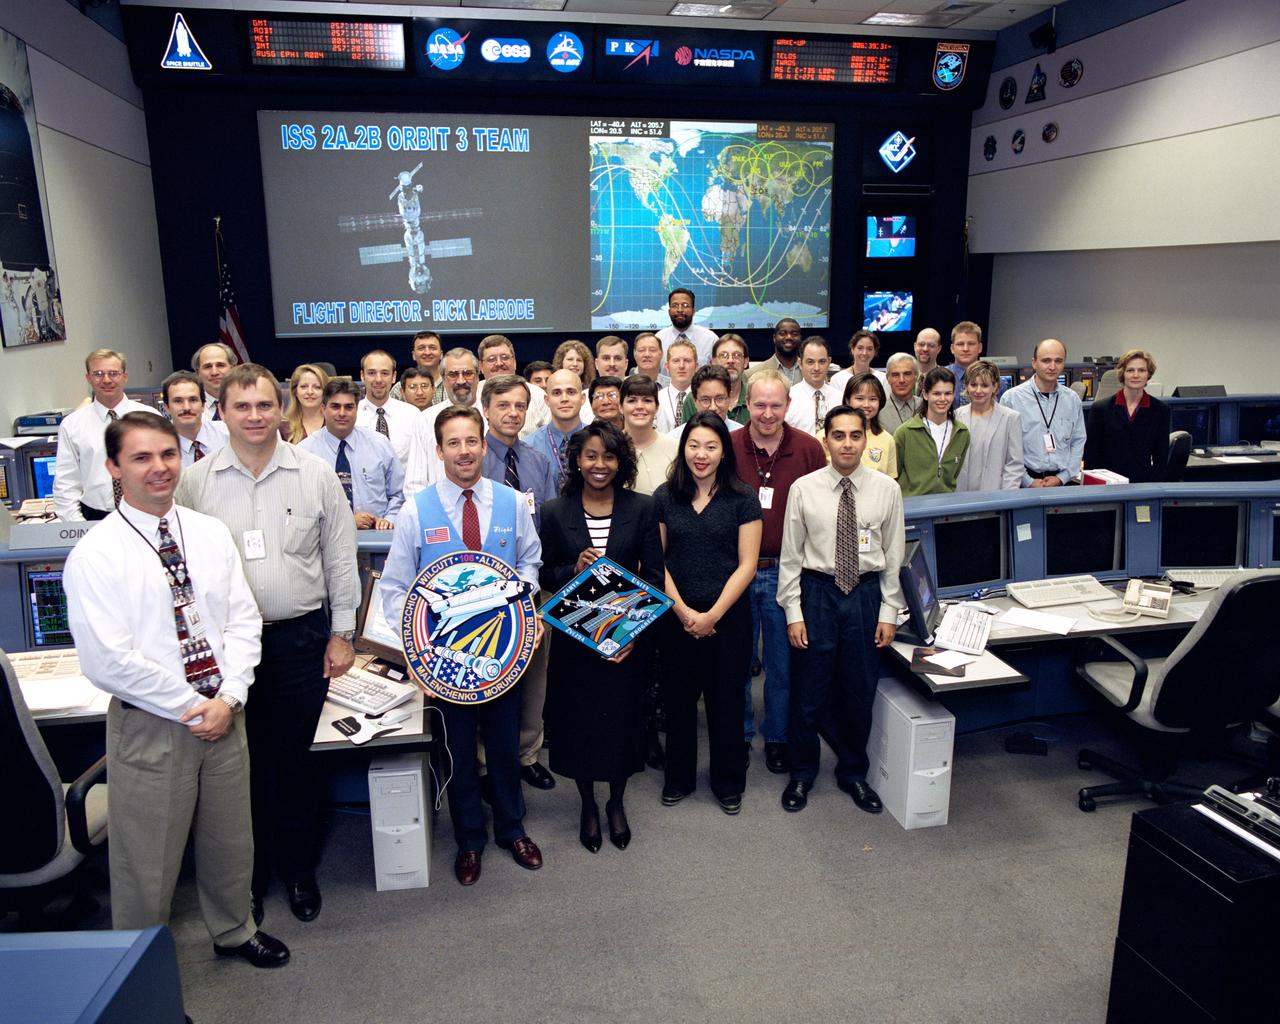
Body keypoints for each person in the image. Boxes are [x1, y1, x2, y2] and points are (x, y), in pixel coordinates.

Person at [64, 411, 289, 968]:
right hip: (155, 726)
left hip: (224, 713)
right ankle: (140, 976)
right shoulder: (96, 554)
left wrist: (230, 698)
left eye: (167, 455)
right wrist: (194, 706)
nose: (159, 468)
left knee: (230, 842)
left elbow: (242, 620)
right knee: (147, 863)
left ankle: (234, 929)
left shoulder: (208, 532)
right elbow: (109, 661)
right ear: (114, 467)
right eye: (141, 458)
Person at [176, 363, 358, 925]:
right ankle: (249, 882)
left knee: (296, 765)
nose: (254, 417)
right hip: (224, 651)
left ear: (280, 411)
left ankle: (299, 871)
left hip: (299, 640)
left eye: (263, 406)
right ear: (221, 412)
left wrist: (343, 632)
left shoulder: (316, 475)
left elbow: (339, 557)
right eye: (241, 407)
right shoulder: (195, 483)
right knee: (237, 771)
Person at [380, 406, 545, 886]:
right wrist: (415, 648)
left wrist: (524, 606)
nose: (465, 451)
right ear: (439, 451)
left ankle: (512, 829)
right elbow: (395, 588)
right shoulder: (417, 509)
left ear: (483, 444)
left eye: (472, 441)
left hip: (503, 654)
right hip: (445, 659)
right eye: (453, 443)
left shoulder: (512, 503)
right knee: (455, 752)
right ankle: (469, 839)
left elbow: (531, 563)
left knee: (504, 745)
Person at [540, 421, 664, 852]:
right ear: (577, 460)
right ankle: (588, 803)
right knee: (580, 726)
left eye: (608, 456)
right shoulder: (555, 511)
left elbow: (654, 578)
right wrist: (571, 570)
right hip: (575, 643)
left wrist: (629, 634)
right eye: (591, 455)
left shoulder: (644, 508)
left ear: (620, 461)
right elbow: (543, 572)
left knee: (623, 725)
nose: (599, 464)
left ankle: (616, 801)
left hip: (626, 643)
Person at [778, 405, 906, 815]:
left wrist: (889, 611)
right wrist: (793, 612)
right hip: (817, 593)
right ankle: (802, 772)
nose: (847, 443)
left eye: (855, 435)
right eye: (839, 435)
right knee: (808, 691)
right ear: (826, 439)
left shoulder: (887, 489)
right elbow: (790, 557)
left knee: (858, 689)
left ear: (866, 438)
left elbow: (894, 554)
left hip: (865, 596)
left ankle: (853, 773)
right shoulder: (804, 488)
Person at [654, 412, 762, 814]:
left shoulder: (743, 497)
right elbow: (658, 562)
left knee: (726, 702)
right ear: (683, 449)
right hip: (676, 616)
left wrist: (712, 615)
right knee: (679, 702)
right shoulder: (666, 496)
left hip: (728, 619)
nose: (701, 454)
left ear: (723, 451)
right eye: (694, 445)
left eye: (711, 446)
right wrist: (684, 613)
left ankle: (727, 781)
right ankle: (678, 778)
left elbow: (747, 564)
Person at [731, 371, 826, 774]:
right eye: (759, 404)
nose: (767, 414)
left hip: (787, 574)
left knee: (782, 666)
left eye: (775, 405)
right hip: (736, 573)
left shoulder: (808, 449)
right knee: (735, 663)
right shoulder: (729, 446)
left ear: (788, 406)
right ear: (746, 404)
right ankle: (738, 735)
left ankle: (777, 737)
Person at [480, 375, 558, 790]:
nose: (512, 413)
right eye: (503, 405)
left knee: (533, 676)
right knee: (484, 672)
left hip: (531, 583)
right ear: (487, 409)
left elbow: (546, 523)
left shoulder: (536, 461)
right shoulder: (475, 458)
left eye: (519, 406)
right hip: (482, 589)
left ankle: (527, 753)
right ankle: (485, 763)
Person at [53, 348, 152, 521]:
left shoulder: (150, 418)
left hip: (147, 513)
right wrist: (79, 527)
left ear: (125, 376)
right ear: (88, 378)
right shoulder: (72, 425)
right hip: (94, 517)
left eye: (113, 373)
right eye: (98, 374)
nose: (106, 380)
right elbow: (66, 485)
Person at [299, 379, 404, 530]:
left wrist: (389, 519)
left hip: (378, 541)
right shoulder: (305, 452)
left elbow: (398, 493)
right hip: (325, 541)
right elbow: (301, 507)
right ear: (323, 409)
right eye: (335, 407)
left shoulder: (379, 444)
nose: (342, 413)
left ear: (356, 409)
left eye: (349, 407)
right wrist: (346, 522)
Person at [1000, 339, 1086, 487]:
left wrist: (1062, 478)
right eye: (1046, 361)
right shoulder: (1011, 399)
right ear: (1034, 363)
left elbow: (1078, 441)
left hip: (1062, 483)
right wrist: (1028, 481)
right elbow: (1004, 447)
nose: (1052, 367)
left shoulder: (1072, 400)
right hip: (1023, 483)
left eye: (1058, 361)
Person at [1084, 348, 1170, 483]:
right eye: (1130, 370)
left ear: (1149, 374)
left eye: (1141, 370)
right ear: (1122, 374)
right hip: (1108, 486)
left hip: (1143, 486)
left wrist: (1154, 490)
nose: (1136, 375)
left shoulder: (1160, 410)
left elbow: (1161, 458)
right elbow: (1090, 457)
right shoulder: (1101, 409)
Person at [404, 348, 482, 493]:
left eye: (467, 373)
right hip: (438, 511)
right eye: (453, 374)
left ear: (478, 376)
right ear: (443, 379)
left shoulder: (491, 417)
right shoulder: (425, 420)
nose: (461, 380)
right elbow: (414, 484)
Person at [893, 367, 970, 496]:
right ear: (925, 394)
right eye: (937, 393)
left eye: (948, 393)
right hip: (912, 507)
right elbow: (895, 475)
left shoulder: (962, 433)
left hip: (946, 507)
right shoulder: (905, 432)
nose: (943, 399)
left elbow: (954, 474)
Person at [955, 361, 1024, 491]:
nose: (978, 391)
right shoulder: (957, 416)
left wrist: (1006, 496)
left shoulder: (1010, 418)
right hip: (961, 496)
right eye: (973, 385)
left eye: (985, 385)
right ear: (966, 386)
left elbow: (1014, 464)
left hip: (995, 497)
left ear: (995, 387)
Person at [476, 335, 550, 438]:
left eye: (504, 357)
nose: (499, 363)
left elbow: (550, 437)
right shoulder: (473, 395)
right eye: (491, 359)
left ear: (515, 362)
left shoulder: (538, 395)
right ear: (481, 367)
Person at [357, 349, 419, 468]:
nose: (378, 379)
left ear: (394, 377)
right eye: (371, 373)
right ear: (362, 376)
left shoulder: (412, 415)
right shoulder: (353, 416)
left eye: (385, 373)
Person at [527, 368, 586, 493]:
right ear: (547, 400)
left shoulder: (598, 440)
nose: (564, 398)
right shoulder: (529, 447)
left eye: (571, 392)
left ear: (582, 398)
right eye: (557, 393)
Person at [622, 374, 678, 495]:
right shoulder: (609, 447)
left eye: (647, 400)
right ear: (620, 407)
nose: (640, 407)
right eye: (632, 400)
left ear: (657, 407)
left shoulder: (676, 448)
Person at [162, 370, 228, 467]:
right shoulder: (159, 446)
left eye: (193, 400)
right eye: (178, 401)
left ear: (203, 405)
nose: (186, 407)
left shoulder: (227, 435)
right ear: (167, 408)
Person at [682, 334, 749, 426]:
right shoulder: (692, 398)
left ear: (745, 362)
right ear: (713, 361)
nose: (730, 360)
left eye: (736, 355)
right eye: (723, 355)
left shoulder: (754, 396)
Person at [783, 336, 841, 437]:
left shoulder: (840, 399)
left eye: (822, 361)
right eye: (810, 362)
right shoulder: (787, 398)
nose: (816, 368)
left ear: (829, 362)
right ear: (800, 363)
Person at [842, 372, 898, 478]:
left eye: (873, 399)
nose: (866, 405)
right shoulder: (827, 436)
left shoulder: (887, 439)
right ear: (847, 400)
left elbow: (891, 482)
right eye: (860, 398)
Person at [669, 364, 744, 437]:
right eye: (705, 400)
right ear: (695, 401)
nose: (713, 407)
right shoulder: (676, 439)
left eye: (719, 398)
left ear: (729, 397)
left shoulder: (743, 437)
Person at [656, 286, 718, 366]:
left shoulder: (710, 339)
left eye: (685, 305)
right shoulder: (659, 339)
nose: (680, 310)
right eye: (675, 305)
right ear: (669, 311)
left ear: (693, 311)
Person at [654, 338, 698, 433]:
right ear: (667, 366)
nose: (681, 366)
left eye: (687, 360)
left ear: (696, 366)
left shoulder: (703, 399)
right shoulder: (657, 399)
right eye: (676, 360)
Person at [744, 318, 803, 386]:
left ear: (800, 338)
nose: (788, 337)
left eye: (794, 334)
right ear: (774, 338)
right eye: (783, 333)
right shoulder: (752, 374)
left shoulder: (811, 370)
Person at [389, 331, 442, 404]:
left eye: (432, 348)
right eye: (421, 348)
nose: (427, 352)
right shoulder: (398, 389)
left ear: (441, 354)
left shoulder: (451, 385)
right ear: (413, 355)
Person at [830, 329, 886, 395]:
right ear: (852, 349)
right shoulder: (838, 379)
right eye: (860, 348)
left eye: (869, 349)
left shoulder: (883, 379)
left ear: (875, 352)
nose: (864, 353)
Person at [192, 342, 238, 422]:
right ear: (197, 372)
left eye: (220, 365)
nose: (214, 372)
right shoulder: (189, 408)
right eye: (207, 367)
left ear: (233, 368)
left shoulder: (247, 403)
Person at [284, 363, 329, 443]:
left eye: (317, 387)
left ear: (325, 392)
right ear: (295, 392)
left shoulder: (334, 424)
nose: (310, 392)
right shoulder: (283, 428)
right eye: (304, 386)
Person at [945, 321, 984, 407]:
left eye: (971, 344)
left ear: (980, 347)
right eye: (960, 344)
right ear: (952, 348)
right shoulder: (939, 376)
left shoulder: (994, 380)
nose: (965, 349)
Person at [881, 352, 919, 432]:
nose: (901, 380)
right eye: (895, 375)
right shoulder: (879, 410)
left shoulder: (926, 406)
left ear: (916, 376)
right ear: (888, 378)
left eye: (907, 374)